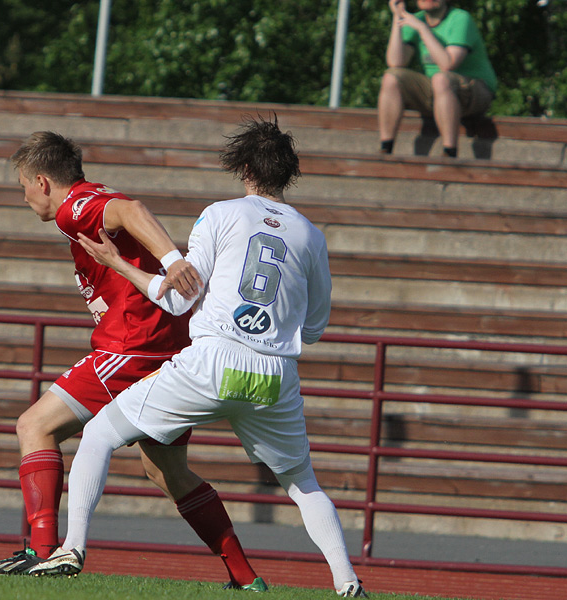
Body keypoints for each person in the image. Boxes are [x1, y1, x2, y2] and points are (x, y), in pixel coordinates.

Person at [25, 116, 367, 598]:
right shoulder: (312, 236)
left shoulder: (221, 214)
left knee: (99, 433)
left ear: (244, 166)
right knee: (302, 483)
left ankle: (71, 549)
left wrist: (118, 263)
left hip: (213, 361)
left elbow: (179, 300)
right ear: (288, 173)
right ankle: (347, 583)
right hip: (274, 376)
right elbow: (314, 329)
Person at [0, 131, 266, 591]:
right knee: (165, 470)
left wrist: (172, 260)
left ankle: (43, 552)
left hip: (131, 348)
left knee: (34, 426)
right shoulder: (89, 199)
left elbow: (130, 210)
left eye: (23, 185)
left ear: (42, 181)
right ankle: (245, 577)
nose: (24, 195)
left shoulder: (77, 206)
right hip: (167, 349)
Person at [377, 0, 497, 158]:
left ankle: (449, 152)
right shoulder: (416, 19)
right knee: (391, 77)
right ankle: (386, 148)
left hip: (476, 91)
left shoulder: (460, 19)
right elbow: (395, 62)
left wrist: (422, 29)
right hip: (439, 92)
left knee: (441, 79)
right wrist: (397, 18)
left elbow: (448, 63)